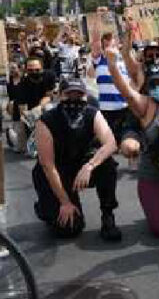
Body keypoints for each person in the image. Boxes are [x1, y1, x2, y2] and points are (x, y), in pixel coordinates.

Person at [105, 43, 159, 238]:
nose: (157, 88)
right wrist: (112, 65)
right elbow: (127, 93)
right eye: (153, 85)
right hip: (155, 173)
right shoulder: (147, 106)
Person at [33, 78, 121, 241]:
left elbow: (111, 144)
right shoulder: (46, 120)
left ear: (86, 97)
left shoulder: (92, 113)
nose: (74, 99)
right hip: (56, 171)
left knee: (107, 164)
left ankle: (108, 215)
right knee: (68, 229)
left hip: (82, 166)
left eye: (79, 94)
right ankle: (46, 207)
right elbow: (48, 165)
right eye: (69, 94)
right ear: (59, 96)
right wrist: (65, 202)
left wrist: (89, 166)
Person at [6, 56, 56, 154]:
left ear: (42, 68)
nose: (34, 72)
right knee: (21, 148)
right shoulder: (22, 84)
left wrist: (39, 108)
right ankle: (10, 134)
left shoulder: (49, 76)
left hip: (40, 106)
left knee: (49, 108)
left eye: (37, 69)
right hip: (23, 112)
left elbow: (49, 96)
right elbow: (22, 109)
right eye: (30, 70)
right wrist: (31, 122)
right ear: (26, 70)